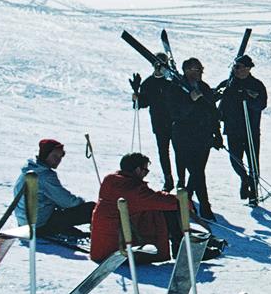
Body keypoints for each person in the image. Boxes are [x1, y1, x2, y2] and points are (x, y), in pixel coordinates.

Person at [88, 152, 224, 263]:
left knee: (161, 208)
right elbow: (159, 201)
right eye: (145, 170)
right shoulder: (131, 188)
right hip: (114, 249)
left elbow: (151, 198)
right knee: (168, 209)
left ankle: (184, 244)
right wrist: (184, 202)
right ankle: (182, 250)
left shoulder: (112, 180)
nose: (146, 173)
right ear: (137, 170)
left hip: (104, 245)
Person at [171, 56, 223, 222]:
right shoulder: (176, 88)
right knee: (196, 171)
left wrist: (217, 134)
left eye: (200, 69)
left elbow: (212, 112)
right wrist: (190, 101)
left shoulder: (204, 87)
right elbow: (175, 113)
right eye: (195, 69)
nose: (199, 72)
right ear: (186, 70)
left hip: (203, 137)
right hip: (183, 137)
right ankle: (204, 206)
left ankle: (188, 200)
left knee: (198, 171)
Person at [13, 139, 94, 245]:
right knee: (91, 209)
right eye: (55, 156)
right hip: (38, 225)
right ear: (45, 154)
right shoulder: (45, 176)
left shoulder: (30, 169)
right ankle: (106, 235)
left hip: (25, 222)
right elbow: (67, 201)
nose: (58, 160)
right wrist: (81, 203)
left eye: (60, 157)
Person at [218, 54, 268, 204]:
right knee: (235, 159)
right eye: (234, 66)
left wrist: (249, 98)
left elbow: (261, 105)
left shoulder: (257, 85)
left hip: (250, 129)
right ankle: (244, 179)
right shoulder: (229, 84)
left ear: (247, 68)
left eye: (238, 67)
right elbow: (218, 99)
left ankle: (253, 191)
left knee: (253, 161)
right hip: (233, 128)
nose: (236, 69)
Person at [133, 55, 181, 190]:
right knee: (163, 152)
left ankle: (181, 179)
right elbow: (142, 103)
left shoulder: (172, 81)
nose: (159, 67)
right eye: (157, 64)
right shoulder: (148, 83)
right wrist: (136, 94)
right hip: (159, 123)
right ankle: (168, 178)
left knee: (179, 152)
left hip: (175, 122)